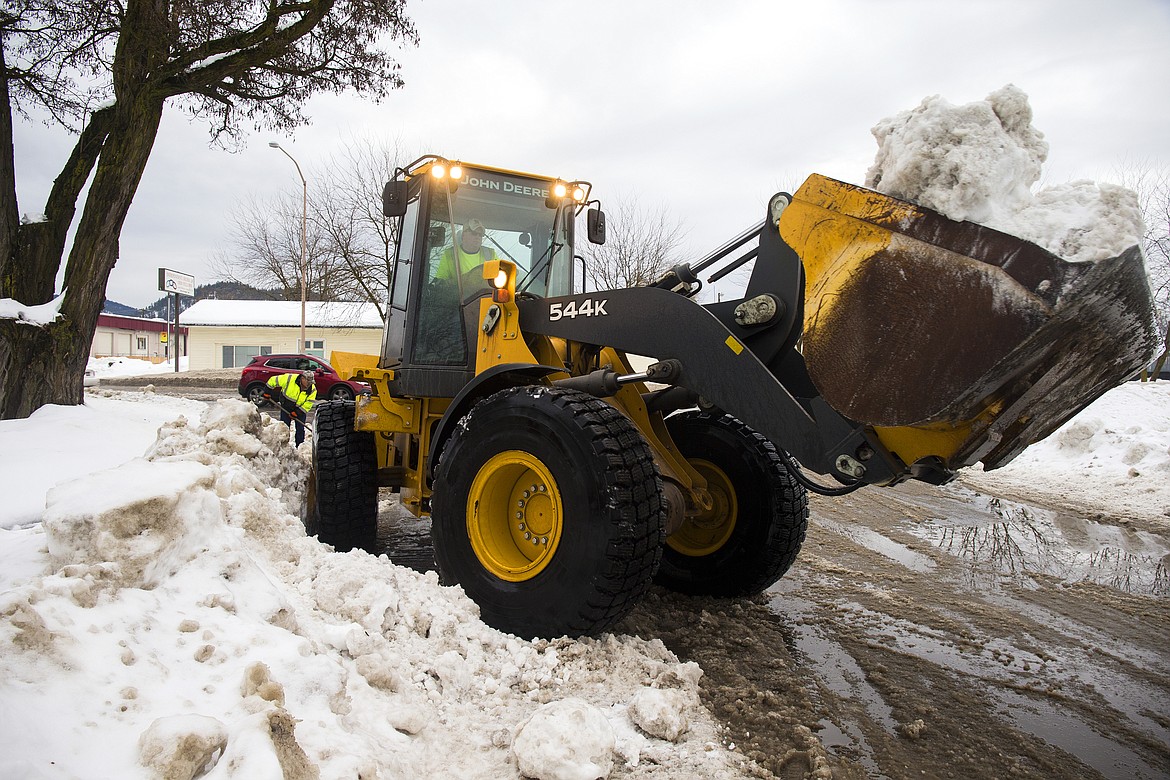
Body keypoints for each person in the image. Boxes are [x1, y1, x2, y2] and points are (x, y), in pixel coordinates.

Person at [263, 369, 316, 446]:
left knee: (300, 429)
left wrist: (297, 413)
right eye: (308, 382)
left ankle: (300, 446)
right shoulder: (289, 379)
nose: (309, 385)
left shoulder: (312, 389)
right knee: (284, 427)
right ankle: (283, 445)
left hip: (300, 410)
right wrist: (267, 392)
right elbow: (273, 380)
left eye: (310, 383)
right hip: (286, 406)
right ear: (302, 378)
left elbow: (308, 404)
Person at [434, 218, 496, 282]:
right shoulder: (450, 254)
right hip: (458, 289)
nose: (477, 237)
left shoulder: (490, 254)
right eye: (474, 233)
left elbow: (498, 276)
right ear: (463, 235)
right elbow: (440, 282)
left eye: (480, 235)